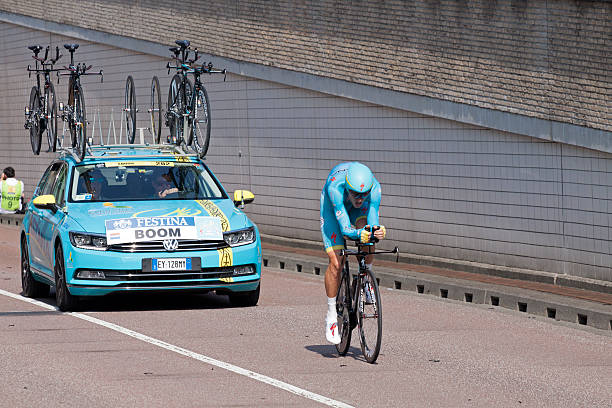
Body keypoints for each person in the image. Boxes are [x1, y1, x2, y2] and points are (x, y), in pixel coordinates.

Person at [320, 162, 386, 344]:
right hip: (335, 209)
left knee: (369, 234)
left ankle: (366, 279)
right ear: (348, 188)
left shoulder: (375, 190)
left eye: (364, 194)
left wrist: (376, 231)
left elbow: (372, 220)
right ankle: (332, 313)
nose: (359, 198)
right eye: (355, 193)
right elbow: (346, 230)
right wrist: (358, 233)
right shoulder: (335, 187)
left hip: (357, 212)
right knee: (336, 263)